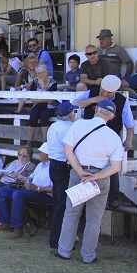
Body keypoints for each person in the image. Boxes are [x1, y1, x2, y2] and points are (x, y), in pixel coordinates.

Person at [53, 100, 123, 264]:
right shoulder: (114, 137)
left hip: (79, 173)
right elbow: (116, 166)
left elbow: (67, 150)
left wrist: (79, 170)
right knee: (94, 219)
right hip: (100, 177)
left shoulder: (78, 125)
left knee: (71, 214)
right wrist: (96, 177)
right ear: (111, 117)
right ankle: (88, 255)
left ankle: (64, 251)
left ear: (97, 109)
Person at [73, 74, 134, 208]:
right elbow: (74, 105)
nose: (105, 93)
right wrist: (94, 99)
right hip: (89, 136)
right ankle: (82, 195)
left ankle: (113, 198)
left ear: (115, 91)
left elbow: (130, 123)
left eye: (109, 92)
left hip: (110, 137)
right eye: (103, 90)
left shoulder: (122, 100)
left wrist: (129, 140)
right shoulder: (92, 93)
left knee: (112, 167)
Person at [0, 142, 53, 239]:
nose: (39, 154)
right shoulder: (40, 166)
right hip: (31, 190)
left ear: (47, 155)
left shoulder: (53, 168)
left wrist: (37, 188)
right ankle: (5, 222)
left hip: (44, 194)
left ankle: (17, 228)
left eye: (41, 153)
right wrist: (21, 178)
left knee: (18, 194)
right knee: (1, 191)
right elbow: (30, 178)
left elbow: (54, 189)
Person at [47, 101, 78, 249]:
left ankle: (57, 236)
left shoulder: (54, 126)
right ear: (71, 114)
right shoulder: (70, 128)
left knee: (59, 200)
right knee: (63, 203)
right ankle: (57, 239)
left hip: (54, 164)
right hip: (63, 165)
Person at [26, 64, 57, 146]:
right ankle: (30, 141)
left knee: (44, 115)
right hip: (37, 105)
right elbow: (32, 99)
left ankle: (44, 142)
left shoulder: (53, 83)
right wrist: (44, 100)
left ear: (46, 72)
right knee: (33, 115)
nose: (38, 75)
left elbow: (50, 100)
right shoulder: (35, 82)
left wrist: (43, 86)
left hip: (50, 106)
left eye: (40, 73)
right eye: (37, 73)